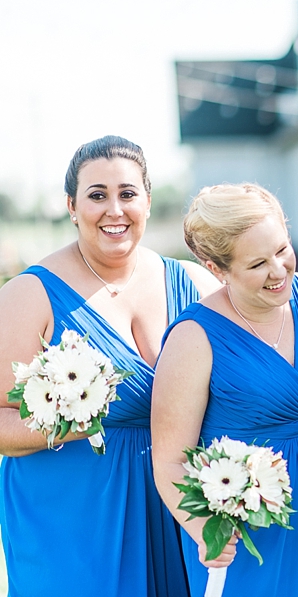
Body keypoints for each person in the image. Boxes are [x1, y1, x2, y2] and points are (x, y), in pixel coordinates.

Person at [0, 135, 219, 596]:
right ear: (72, 206)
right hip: (71, 520)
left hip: (174, 506)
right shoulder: (28, 295)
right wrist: (73, 420)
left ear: (148, 200)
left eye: (127, 194)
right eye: (97, 196)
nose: (114, 210)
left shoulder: (195, 285)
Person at [151, 183, 298, 597]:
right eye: (258, 263)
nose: (279, 271)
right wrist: (207, 531)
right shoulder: (194, 337)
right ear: (217, 268)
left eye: (282, 250)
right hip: (247, 522)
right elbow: (169, 460)